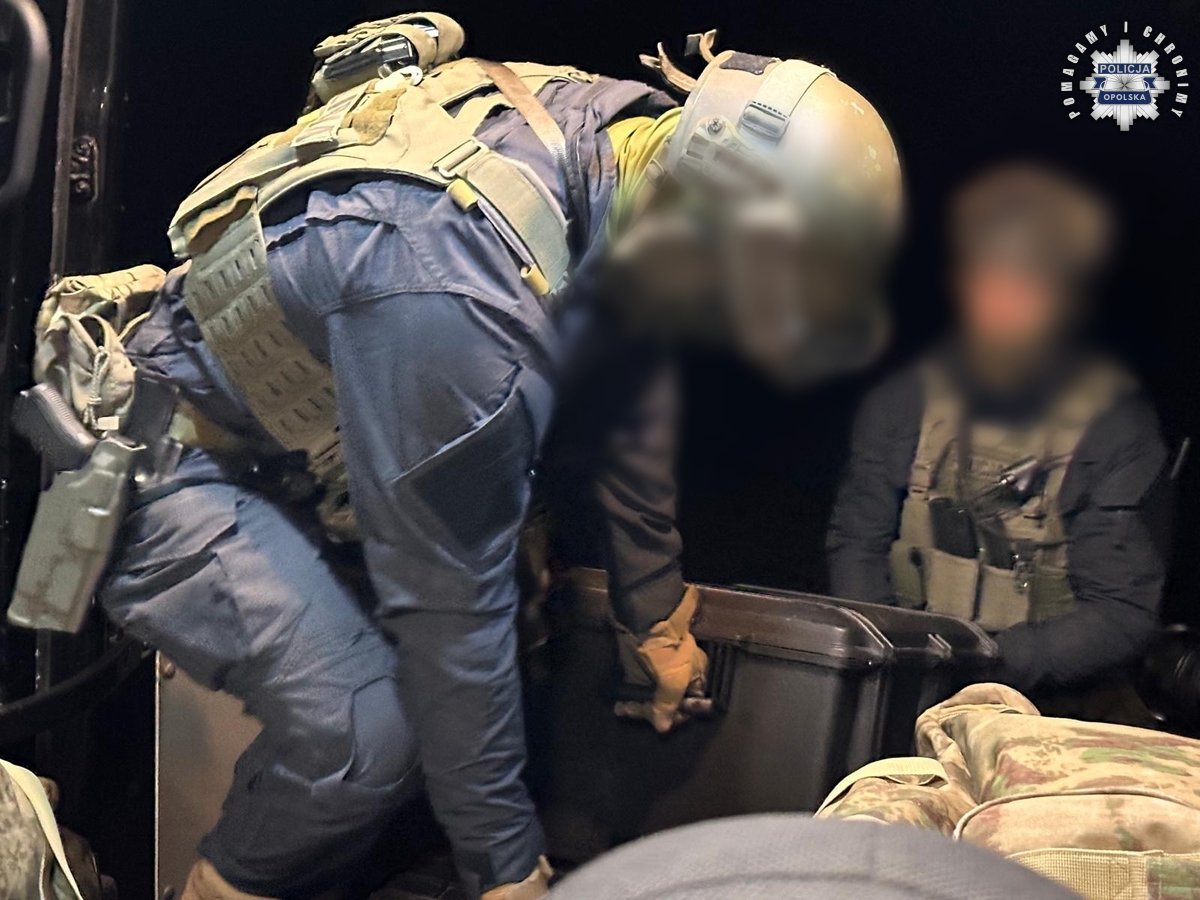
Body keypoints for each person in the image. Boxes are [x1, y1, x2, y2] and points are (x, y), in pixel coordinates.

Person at [40, 14, 900, 899]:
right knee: (370, 736)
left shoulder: (624, 143)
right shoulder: (455, 288)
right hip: (174, 463)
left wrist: (653, 616)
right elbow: (450, 617)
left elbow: (627, 380)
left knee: (493, 656)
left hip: (314, 448)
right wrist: (508, 871)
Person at [827, 162, 1169, 717]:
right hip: (904, 679)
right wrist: (900, 660)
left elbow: (1120, 613)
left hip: (1043, 705)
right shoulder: (904, 402)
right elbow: (856, 545)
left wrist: (979, 669)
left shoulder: (1113, 428)